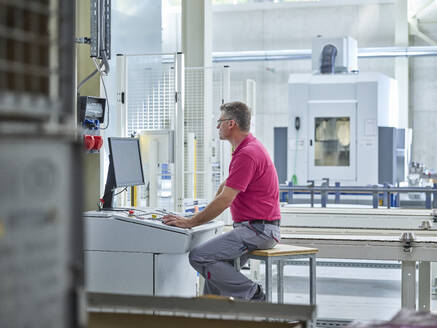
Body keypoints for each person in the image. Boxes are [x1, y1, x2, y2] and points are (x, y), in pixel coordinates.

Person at [163, 101, 281, 301]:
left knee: (199, 256)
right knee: (215, 262)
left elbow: (226, 199)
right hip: (255, 228)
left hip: (258, 230)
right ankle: (211, 316)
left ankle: (253, 294)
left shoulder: (248, 154)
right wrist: (199, 215)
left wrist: (191, 222)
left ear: (231, 123)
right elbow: (225, 188)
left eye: (220, 122)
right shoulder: (246, 149)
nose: (217, 126)